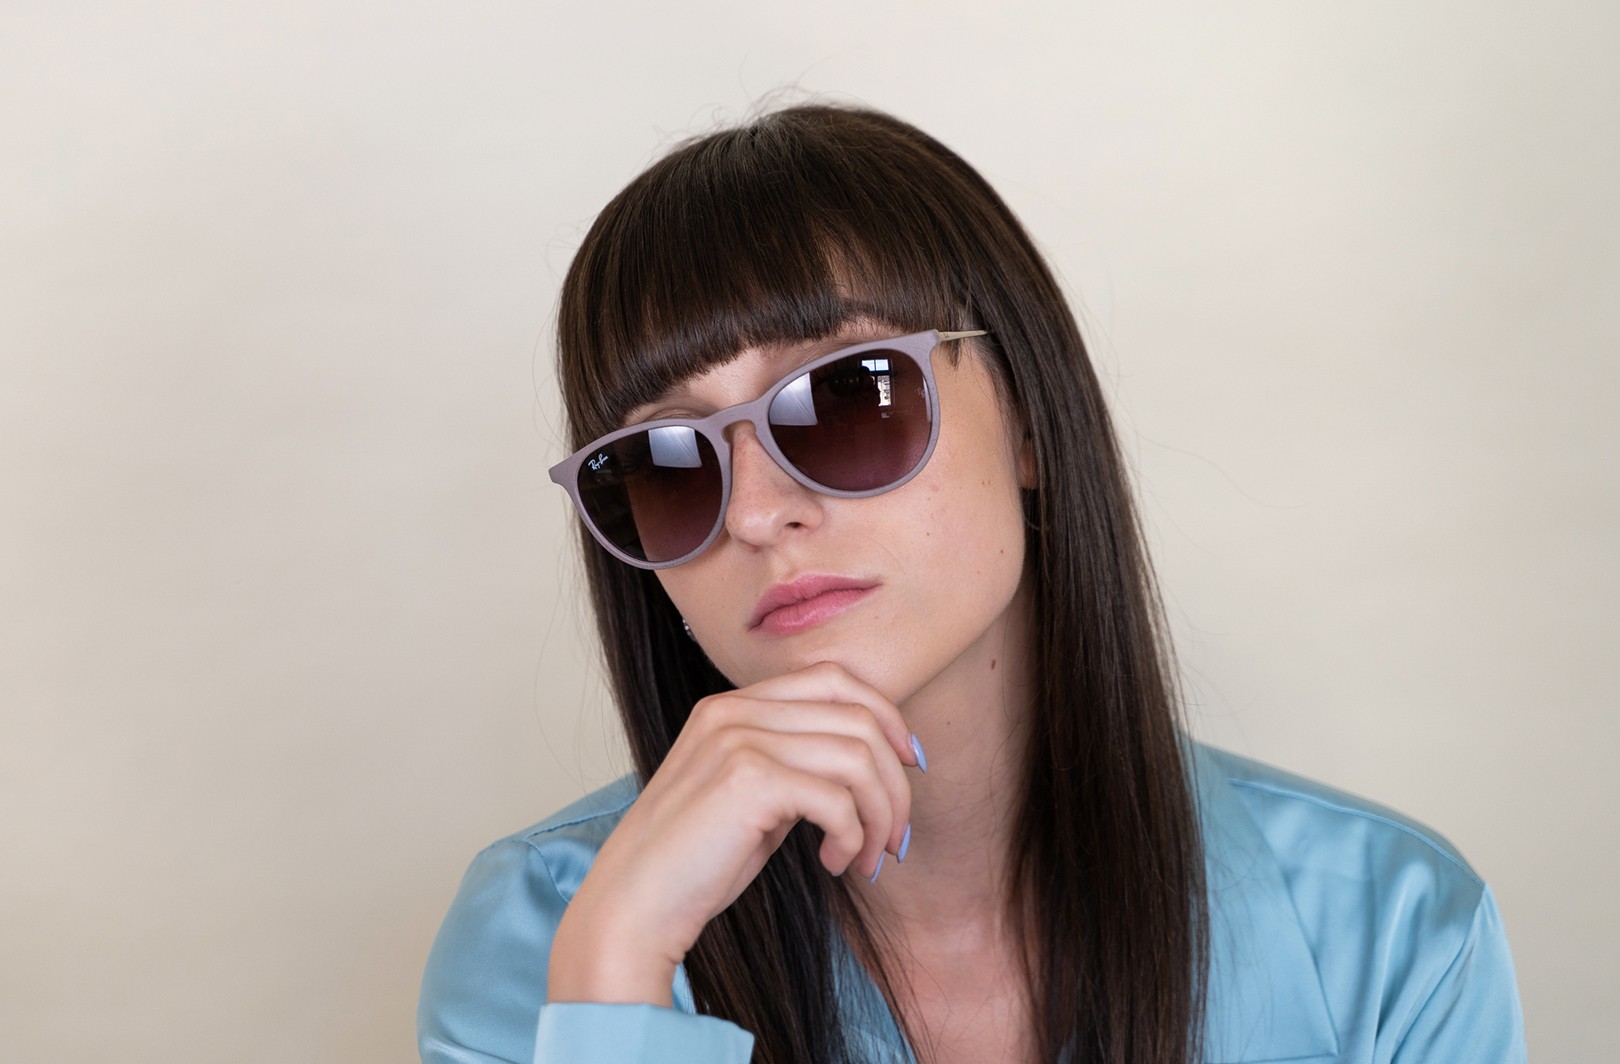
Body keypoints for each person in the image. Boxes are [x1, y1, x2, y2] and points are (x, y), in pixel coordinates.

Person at [417, 104, 1527, 1064]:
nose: (754, 513)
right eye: (665, 464)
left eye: (847, 397)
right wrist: (618, 981)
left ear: (1031, 419)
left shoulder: (1392, 935)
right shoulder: (553, 938)